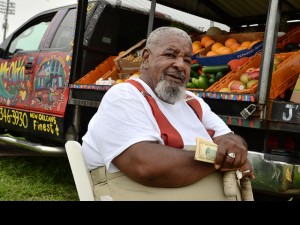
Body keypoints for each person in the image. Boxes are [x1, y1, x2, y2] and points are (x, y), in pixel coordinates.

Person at [82, 26, 254, 201]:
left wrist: (234, 149)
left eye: (187, 60)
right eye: (170, 55)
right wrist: (221, 158)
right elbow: (144, 165)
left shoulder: (193, 101)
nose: (180, 65)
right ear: (146, 58)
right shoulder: (124, 96)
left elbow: (232, 141)